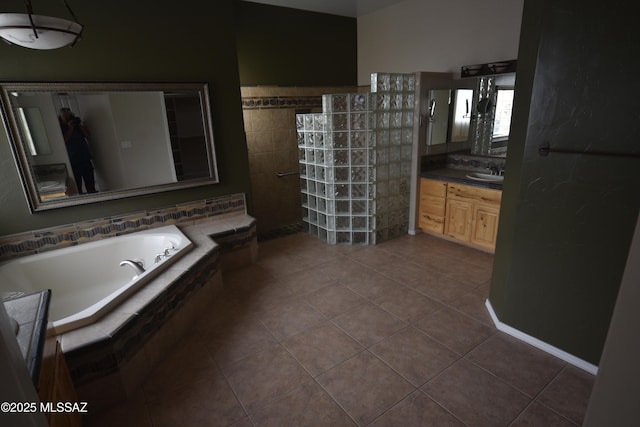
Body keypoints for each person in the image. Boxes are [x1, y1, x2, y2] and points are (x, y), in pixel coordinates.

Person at [59, 107, 96, 194]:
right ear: (61, 117)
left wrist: (79, 125)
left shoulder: (77, 125)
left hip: (85, 158)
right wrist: (70, 128)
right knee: (77, 185)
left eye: (69, 116)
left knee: (90, 183)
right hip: (73, 160)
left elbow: (88, 135)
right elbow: (64, 141)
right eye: (66, 116)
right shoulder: (60, 128)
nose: (68, 118)